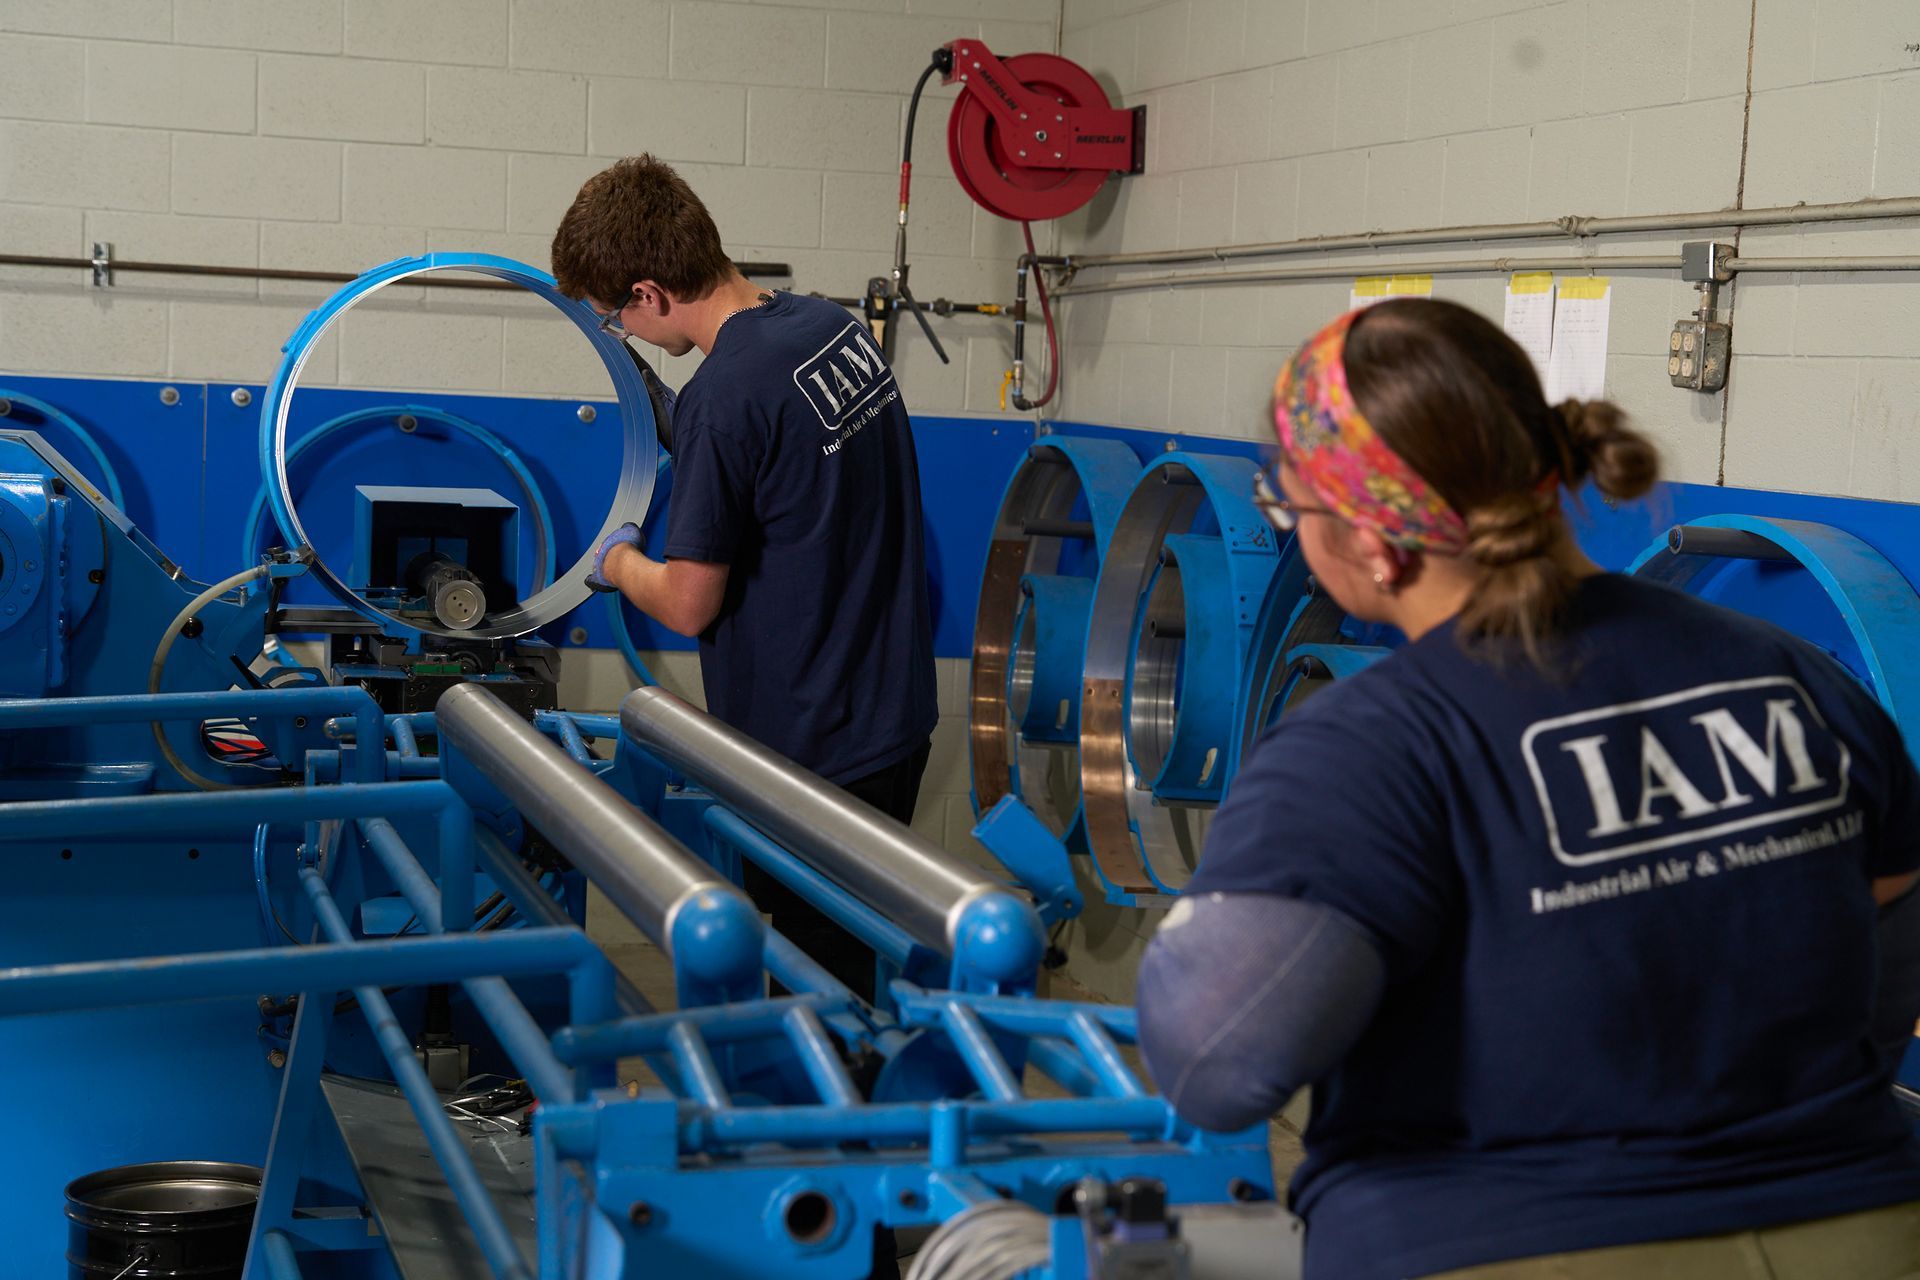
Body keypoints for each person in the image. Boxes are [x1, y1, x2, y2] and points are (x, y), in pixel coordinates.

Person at [1135, 298, 1920, 1279]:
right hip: (1857, 1228)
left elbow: (1220, 1063)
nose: (1288, 526)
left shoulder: (1368, 748)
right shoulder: (1797, 677)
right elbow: (1886, 950)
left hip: (1509, 1241)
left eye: (1289, 507)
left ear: (1377, 544)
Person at [551, 155, 938, 1005]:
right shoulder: (830, 328)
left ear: (650, 292)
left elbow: (691, 602)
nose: (626, 333)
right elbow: (796, 488)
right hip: (893, 719)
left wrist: (616, 563)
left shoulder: (722, 397)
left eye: (618, 318)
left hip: (807, 755)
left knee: (809, 999)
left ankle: (822, 1137)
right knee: (857, 968)